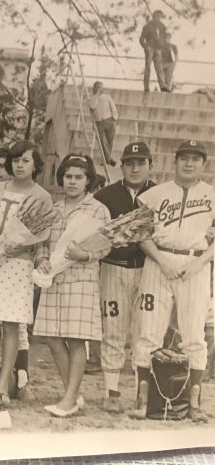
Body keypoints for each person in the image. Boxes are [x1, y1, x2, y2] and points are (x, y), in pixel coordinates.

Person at [130, 140, 213, 423]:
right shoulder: (155, 194)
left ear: (203, 164)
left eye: (195, 159)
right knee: (148, 333)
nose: (189, 164)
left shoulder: (212, 195)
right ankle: (142, 399)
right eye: (184, 158)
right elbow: (141, 233)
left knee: (194, 335)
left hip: (195, 265)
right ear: (174, 161)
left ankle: (194, 402)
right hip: (158, 262)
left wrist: (199, 263)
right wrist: (161, 261)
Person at [0, 140, 53, 406]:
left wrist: (31, 252)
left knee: (10, 326)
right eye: (16, 160)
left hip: (18, 266)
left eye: (25, 160)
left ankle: (3, 385)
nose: (19, 165)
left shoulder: (42, 196)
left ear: (35, 164)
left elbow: (42, 237)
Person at [33, 154, 111, 417]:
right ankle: (73, 395)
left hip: (81, 279)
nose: (72, 181)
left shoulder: (98, 210)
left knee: (76, 340)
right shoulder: (53, 209)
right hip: (54, 279)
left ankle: (68, 400)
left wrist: (85, 255)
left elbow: (106, 246)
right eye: (68, 176)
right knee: (52, 337)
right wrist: (42, 258)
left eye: (79, 177)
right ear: (62, 178)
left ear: (88, 180)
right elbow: (42, 242)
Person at [94, 141, 156, 412]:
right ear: (122, 166)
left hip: (148, 269)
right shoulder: (105, 196)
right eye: (130, 163)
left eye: (141, 163)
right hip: (113, 267)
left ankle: (142, 392)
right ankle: (112, 391)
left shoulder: (160, 195)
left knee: (145, 331)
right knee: (113, 330)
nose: (135, 168)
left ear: (150, 165)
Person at [89, 81, 118, 167]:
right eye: (98, 87)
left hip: (109, 121)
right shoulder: (92, 99)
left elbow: (113, 107)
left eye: (101, 87)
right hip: (99, 123)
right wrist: (96, 96)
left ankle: (106, 160)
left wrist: (114, 118)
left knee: (110, 141)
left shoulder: (107, 97)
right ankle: (109, 159)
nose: (100, 89)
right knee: (102, 142)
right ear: (95, 88)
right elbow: (92, 106)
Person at [139, 10, 167, 92]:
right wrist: (145, 47)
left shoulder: (162, 26)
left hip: (158, 49)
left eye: (160, 16)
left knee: (159, 68)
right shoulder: (147, 26)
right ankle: (146, 86)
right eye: (157, 16)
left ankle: (163, 86)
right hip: (150, 48)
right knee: (148, 67)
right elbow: (141, 38)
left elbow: (164, 38)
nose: (158, 17)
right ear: (153, 16)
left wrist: (163, 47)